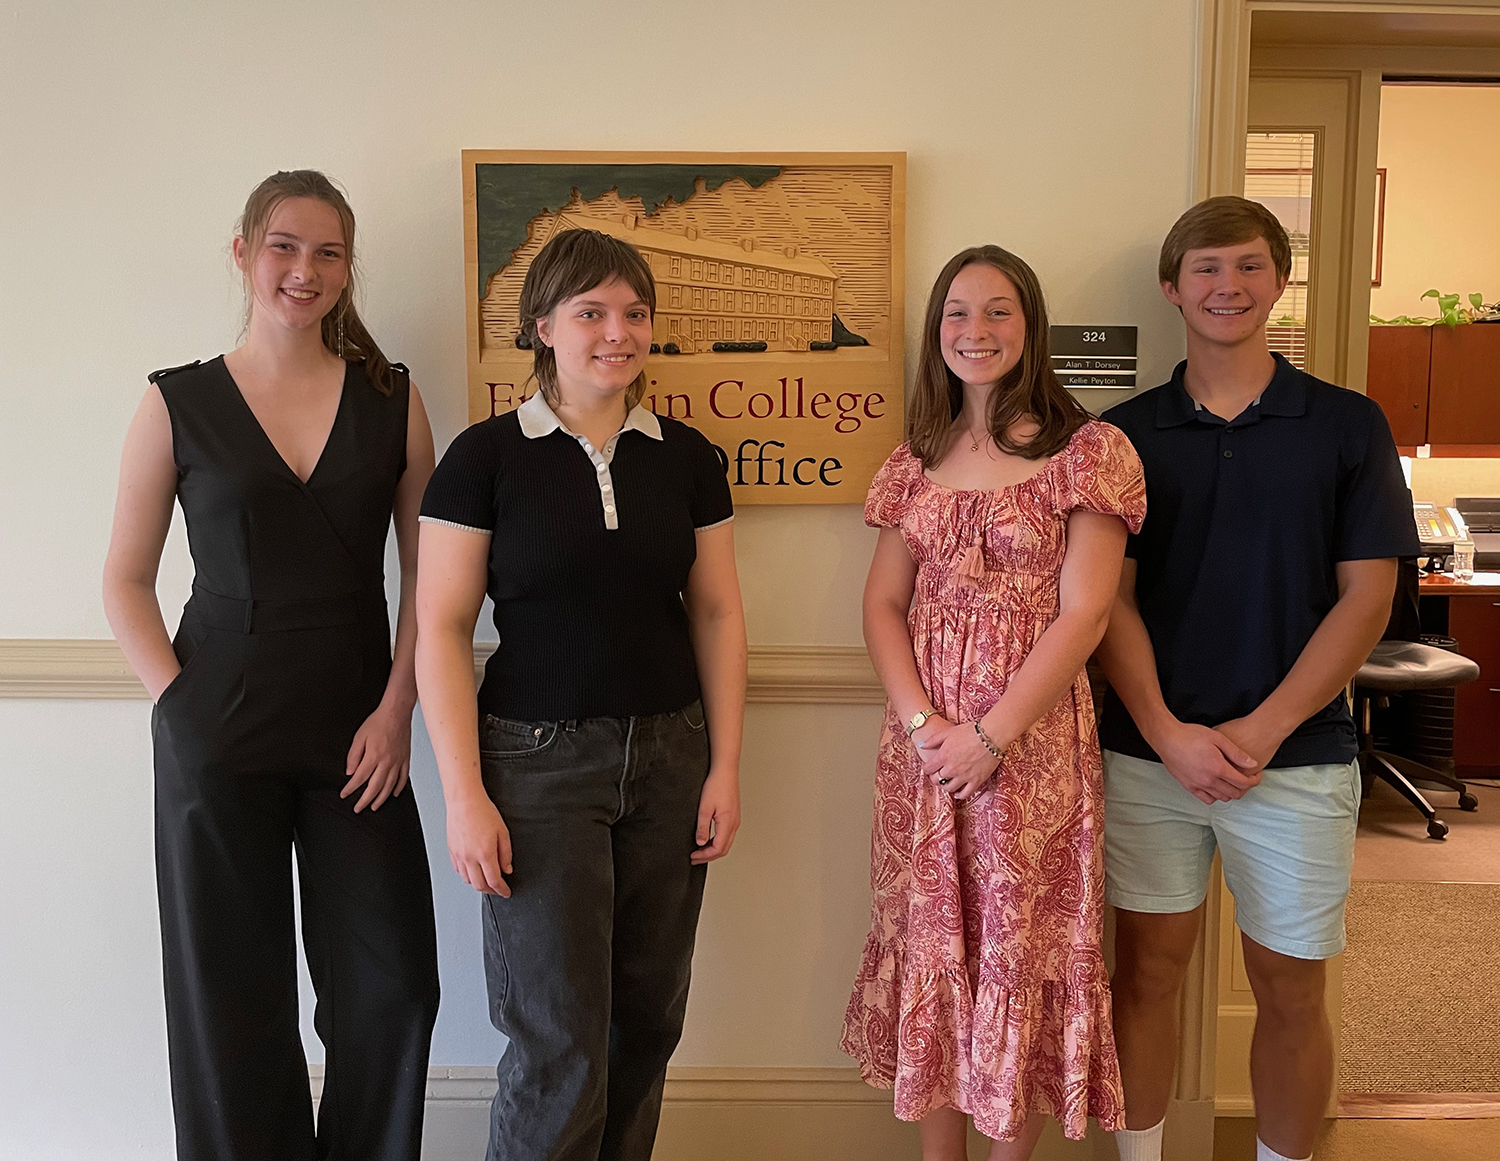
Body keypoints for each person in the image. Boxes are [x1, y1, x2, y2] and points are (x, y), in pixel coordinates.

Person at [102, 170, 441, 1160]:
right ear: (244, 253)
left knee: (393, 991)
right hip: (217, 726)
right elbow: (123, 581)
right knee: (229, 997)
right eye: (286, 246)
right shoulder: (177, 403)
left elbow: (432, 582)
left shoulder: (394, 401)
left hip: (358, 729)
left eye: (328, 251)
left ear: (347, 269)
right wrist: (183, 708)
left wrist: (396, 710)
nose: (306, 269)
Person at [1096, 196, 1419, 1161]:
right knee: (1145, 975)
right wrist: (1165, 730)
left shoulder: (1348, 426)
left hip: (1300, 759)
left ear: (1279, 283)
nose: (1225, 286)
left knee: (1289, 984)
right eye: (1205, 268)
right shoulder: (1122, 436)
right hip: (1149, 757)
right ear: (1171, 288)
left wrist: (1265, 729)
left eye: (1246, 267)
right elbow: (1104, 602)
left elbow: (1365, 600)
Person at [415, 227, 748, 1161]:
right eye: (592, 312)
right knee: (558, 1037)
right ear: (542, 327)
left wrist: (723, 766)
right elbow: (441, 627)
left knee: (645, 1023)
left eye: (635, 313)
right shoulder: (484, 459)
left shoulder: (685, 458)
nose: (618, 332)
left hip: (671, 758)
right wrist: (464, 795)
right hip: (534, 766)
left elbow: (718, 614)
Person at [842, 245, 1145, 1159]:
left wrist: (989, 736)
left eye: (999, 311)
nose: (977, 331)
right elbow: (882, 603)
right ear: (936, 333)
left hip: (1031, 753)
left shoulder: (1089, 452)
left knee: (1016, 952)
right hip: (926, 759)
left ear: (1031, 324)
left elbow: (1088, 611)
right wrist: (927, 728)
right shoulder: (915, 460)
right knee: (937, 944)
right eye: (957, 314)